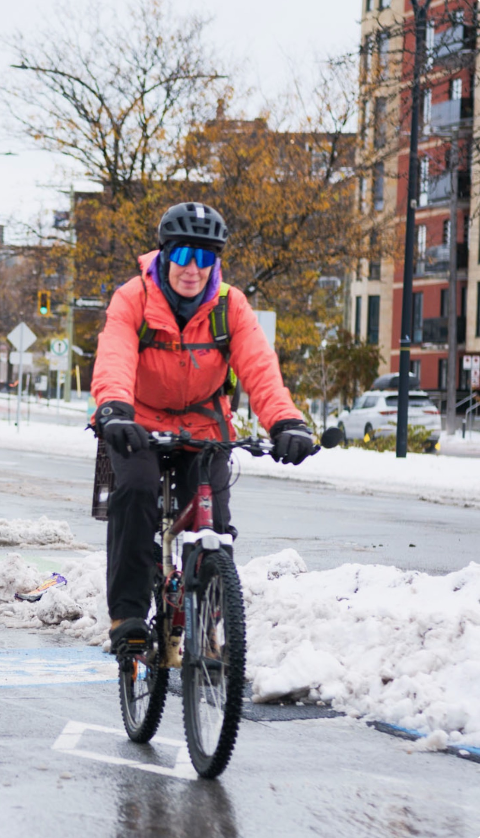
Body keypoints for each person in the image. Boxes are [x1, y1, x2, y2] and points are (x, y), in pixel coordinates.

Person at [91, 202, 315, 656]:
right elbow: (114, 356)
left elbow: (259, 368)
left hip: (204, 426)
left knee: (214, 515)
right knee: (135, 492)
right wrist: (114, 410)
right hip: (139, 423)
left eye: (205, 257)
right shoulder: (133, 296)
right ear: (165, 254)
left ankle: (210, 615)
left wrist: (286, 422)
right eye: (183, 256)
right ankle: (129, 615)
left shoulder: (230, 305)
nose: (193, 269)